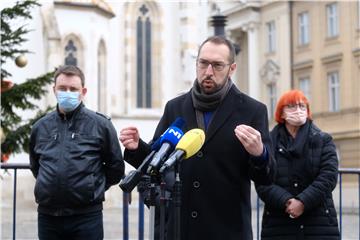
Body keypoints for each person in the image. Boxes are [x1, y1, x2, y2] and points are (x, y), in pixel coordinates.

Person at [119, 36, 274, 240]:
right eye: (203, 63)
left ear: (232, 68)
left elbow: (267, 177)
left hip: (227, 229)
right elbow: (157, 161)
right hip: (179, 227)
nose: (208, 72)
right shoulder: (175, 107)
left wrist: (259, 154)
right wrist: (136, 147)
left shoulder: (252, 110)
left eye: (217, 65)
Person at [29, 65, 125, 240]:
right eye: (62, 88)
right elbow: (36, 166)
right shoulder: (40, 127)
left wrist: (92, 187)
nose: (67, 92)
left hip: (86, 217)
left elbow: (116, 168)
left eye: (73, 89)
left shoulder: (100, 125)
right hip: (48, 217)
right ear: (54, 90)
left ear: (83, 91)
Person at [256, 90, 340, 240]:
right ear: (281, 113)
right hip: (279, 223)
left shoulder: (323, 139)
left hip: (319, 223)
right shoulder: (268, 142)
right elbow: (262, 180)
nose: (298, 110)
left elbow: (329, 176)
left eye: (302, 106)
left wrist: (303, 202)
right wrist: (286, 201)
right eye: (292, 106)